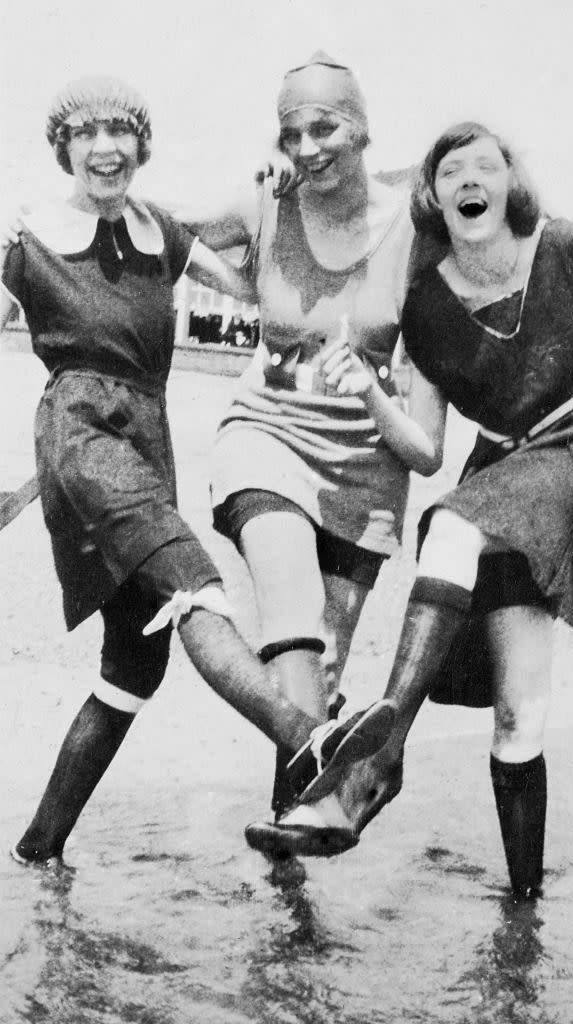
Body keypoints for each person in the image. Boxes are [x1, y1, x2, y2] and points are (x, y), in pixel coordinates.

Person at [246, 120, 573, 895]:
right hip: (507, 475)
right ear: (432, 197)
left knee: (454, 524)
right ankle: (523, 908)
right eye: (449, 169)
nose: (468, 178)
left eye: (484, 165)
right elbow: (425, 451)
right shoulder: (426, 310)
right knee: (517, 714)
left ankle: (374, 765)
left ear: (509, 182)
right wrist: (367, 390)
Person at [0, 75, 395, 865]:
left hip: (146, 437)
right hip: (79, 434)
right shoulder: (23, 235)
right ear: (63, 147)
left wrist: (279, 203)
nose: (105, 148)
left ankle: (37, 851)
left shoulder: (163, 233)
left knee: (134, 666)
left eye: (120, 132)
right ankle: (308, 738)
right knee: (198, 587)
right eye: (86, 133)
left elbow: (260, 290)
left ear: (141, 146)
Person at [175, 52, 446, 823]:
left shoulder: (414, 233)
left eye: (322, 127)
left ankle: (293, 840)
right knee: (289, 610)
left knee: (316, 676)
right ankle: (328, 800)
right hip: (263, 434)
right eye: (290, 132)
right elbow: (156, 232)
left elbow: (428, 436)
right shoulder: (269, 202)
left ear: (360, 129)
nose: (306, 147)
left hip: (366, 466)